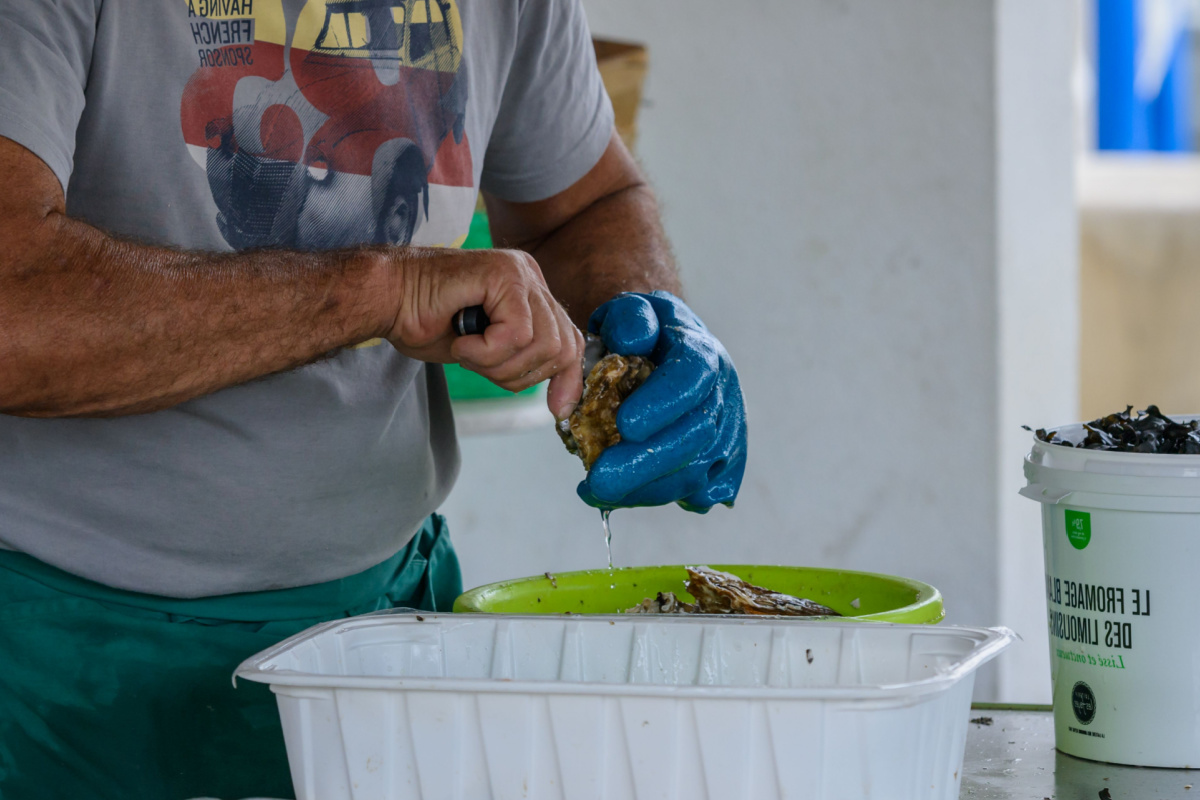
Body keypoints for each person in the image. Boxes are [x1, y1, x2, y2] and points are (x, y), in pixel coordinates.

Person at [0, 0, 747, 797]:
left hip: (386, 620)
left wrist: (653, 323)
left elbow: (585, 205)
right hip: (55, 653)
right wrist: (382, 289)